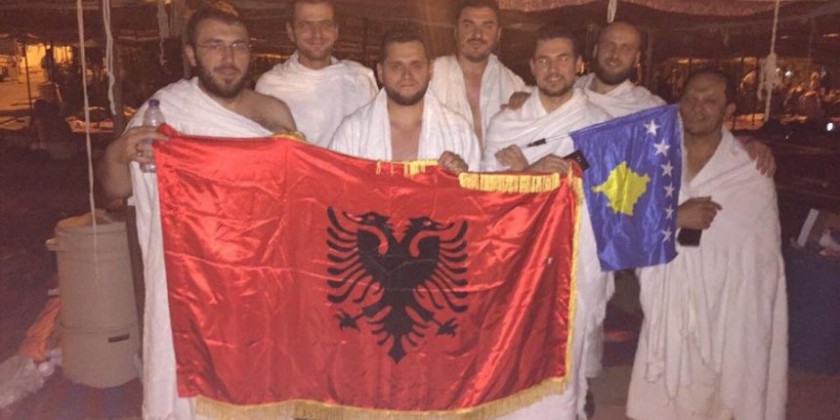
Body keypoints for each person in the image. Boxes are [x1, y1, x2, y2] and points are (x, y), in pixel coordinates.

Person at [99, 3, 295, 419]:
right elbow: (115, 190)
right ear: (190, 53)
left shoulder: (274, 114)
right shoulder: (165, 113)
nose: (228, 57)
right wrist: (119, 152)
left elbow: (296, 197)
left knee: (261, 385)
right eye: (214, 45)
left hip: (258, 281)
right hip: (188, 285)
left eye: (238, 46)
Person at [626, 69, 787, 420]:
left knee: (718, 401)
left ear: (728, 110)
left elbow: (764, 264)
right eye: (691, 99)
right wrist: (674, 218)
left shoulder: (749, 173)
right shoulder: (656, 160)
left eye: (710, 101)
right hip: (669, 308)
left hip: (727, 313)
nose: (698, 108)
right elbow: (625, 230)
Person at [482, 24, 609, 420]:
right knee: (513, 357)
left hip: (575, 262)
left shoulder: (601, 124)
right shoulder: (507, 123)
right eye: (544, 60)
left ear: (578, 64)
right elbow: (487, 199)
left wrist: (543, 172)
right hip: (519, 265)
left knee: (565, 366)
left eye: (562, 59)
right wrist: (529, 175)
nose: (553, 69)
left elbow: (610, 190)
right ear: (532, 66)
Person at [329, 26, 480, 173]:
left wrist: (463, 179)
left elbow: (477, 188)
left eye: (416, 66)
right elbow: (333, 186)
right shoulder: (353, 132)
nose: (407, 75)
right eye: (396, 66)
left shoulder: (459, 132)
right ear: (380, 72)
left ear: (430, 69)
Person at [255, 0, 377, 146]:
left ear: (336, 31)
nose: (317, 34)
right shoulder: (270, 86)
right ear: (291, 32)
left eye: (325, 25)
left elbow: (374, 142)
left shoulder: (360, 80)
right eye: (306, 25)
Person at [429, 0, 527, 147]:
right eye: (468, 25)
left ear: (498, 34)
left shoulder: (514, 85)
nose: (477, 34)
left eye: (487, 26)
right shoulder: (432, 75)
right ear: (456, 31)